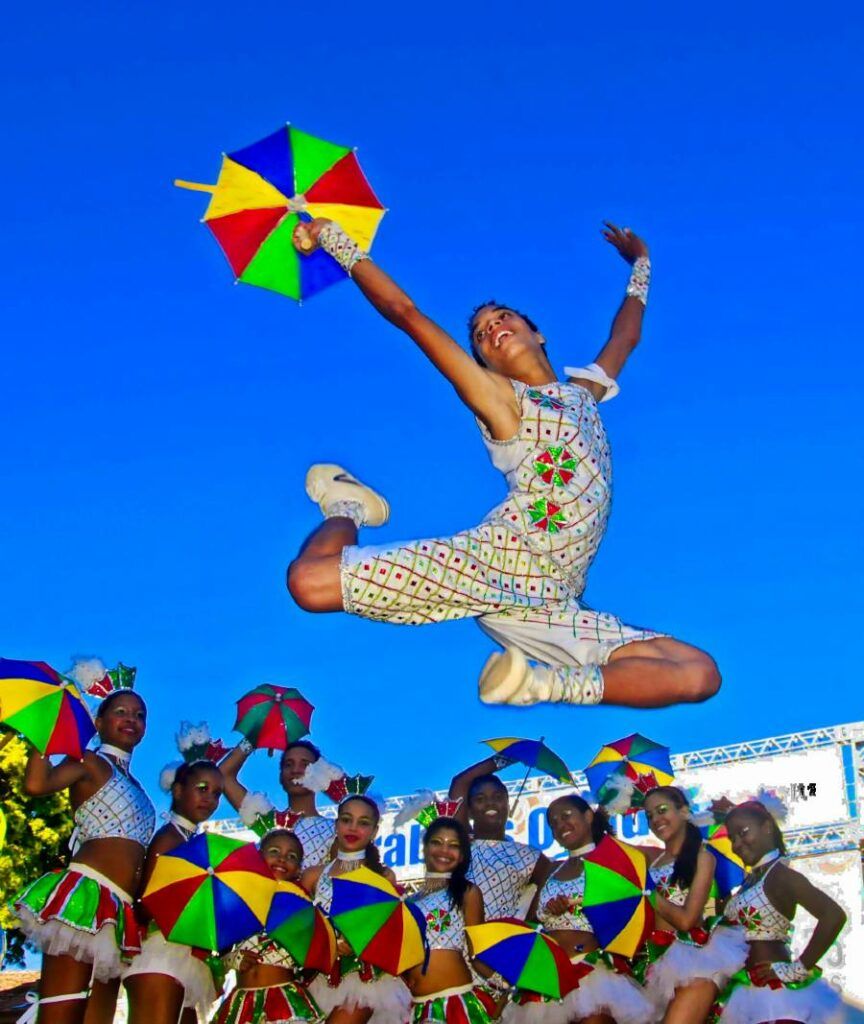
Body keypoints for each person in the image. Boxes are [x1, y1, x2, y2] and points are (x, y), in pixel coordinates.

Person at [285, 217, 720, 710]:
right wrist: (334, 239)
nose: (493, 329)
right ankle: (348, 504)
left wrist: (641, 262)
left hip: (554, 595)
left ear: (539, 333)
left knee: (698, 672)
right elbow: (404, 312)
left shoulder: (583, 392)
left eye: (502, 318)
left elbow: (626, 336)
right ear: (484, 364)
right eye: (481, 334)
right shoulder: (502, 402)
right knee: (308, 583)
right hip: (497, 560)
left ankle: (542, 684)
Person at [14, 688, 155, 1024]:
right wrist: (45, 732)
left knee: (99, 1015)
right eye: (121, 711)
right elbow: (36, 785)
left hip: (120, 909)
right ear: (99, 721)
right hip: (85, 896)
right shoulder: (89, 760)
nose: (131, 720)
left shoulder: (138, 786)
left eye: (139, 715)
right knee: (64, 1007)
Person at [511, 794, 654, 1024]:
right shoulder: (550, 870)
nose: (560, 825)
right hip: (551, 976)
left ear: (588, 816)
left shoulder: (613, 862)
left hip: (593, 976)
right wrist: (549, 909)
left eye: (566, 815)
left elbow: (630, 908)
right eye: (553, 822)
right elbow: (532, 922)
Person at [713, 800, 846, 1023]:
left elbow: (833, 915)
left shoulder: (780, 874)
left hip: (774, 996)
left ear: (767, 826)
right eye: (732, 838)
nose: (736, 844)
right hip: (746, 992)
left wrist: (796, 969)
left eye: (743, 832)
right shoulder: (750, 880)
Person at [123, 756, 225, 1024]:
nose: (210, 799)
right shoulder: (169, 838)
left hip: (183, 956)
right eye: (202, 788)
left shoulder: (193, 843)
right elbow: (146, 902)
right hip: (160, 953)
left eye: (216, 794)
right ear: (178, 790)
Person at [635, 787, 747, 1024]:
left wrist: (649, 895)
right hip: (654, 964)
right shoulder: (651, 861)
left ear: (684, 811)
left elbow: (686, 920)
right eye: (649, 815)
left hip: (695, 961)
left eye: (662, 810)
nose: (655, 819)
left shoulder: (703, 857)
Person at [302, 795, 411, 1024]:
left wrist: (356, 943)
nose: (353, 828)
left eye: (363, 822)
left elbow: (390, 930)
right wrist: (329, 940)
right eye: (346, 819)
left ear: (374, 831)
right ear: (336, 824)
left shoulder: (382, 877)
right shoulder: (314, 875)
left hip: (366, 981)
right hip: (319, 977)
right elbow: (300, 924)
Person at [215, 830, 324, 1024]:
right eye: (274, 851)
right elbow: (217, 957)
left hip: (283, 1002)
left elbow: (311, 959)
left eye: (292, 856)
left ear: (299, 869)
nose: (282, 859)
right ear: (259, 856)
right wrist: (233, 960)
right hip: (241, 1006)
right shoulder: (238, 903)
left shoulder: (301, 908)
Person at [407, 817, 498, 1024]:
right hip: (414, 1008)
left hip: (455, 1005)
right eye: (437, 842)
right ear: (425, 847)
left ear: (462, 854)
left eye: (453, 845)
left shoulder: (467, 892)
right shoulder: (408, 901)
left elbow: (478, 952)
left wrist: (504, 983)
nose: (444, 851)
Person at [448, 757, 549, 919]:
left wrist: (524, 923)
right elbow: (460, 782)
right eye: (480, 799)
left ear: (508, 806)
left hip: (500, 940)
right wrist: (511, 755)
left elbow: (549, 889)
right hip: (458, 938)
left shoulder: (530, 856)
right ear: (470, 810)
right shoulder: (462, 842)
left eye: (498, 797)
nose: (490, 803)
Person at [220, 739, 334, 867]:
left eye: (305, 764)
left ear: (320, 774)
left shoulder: (337, 830)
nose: (295, 770)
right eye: (288, 764)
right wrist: (257, 736)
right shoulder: (269, 823)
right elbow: (222, 776)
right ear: (281, 776)